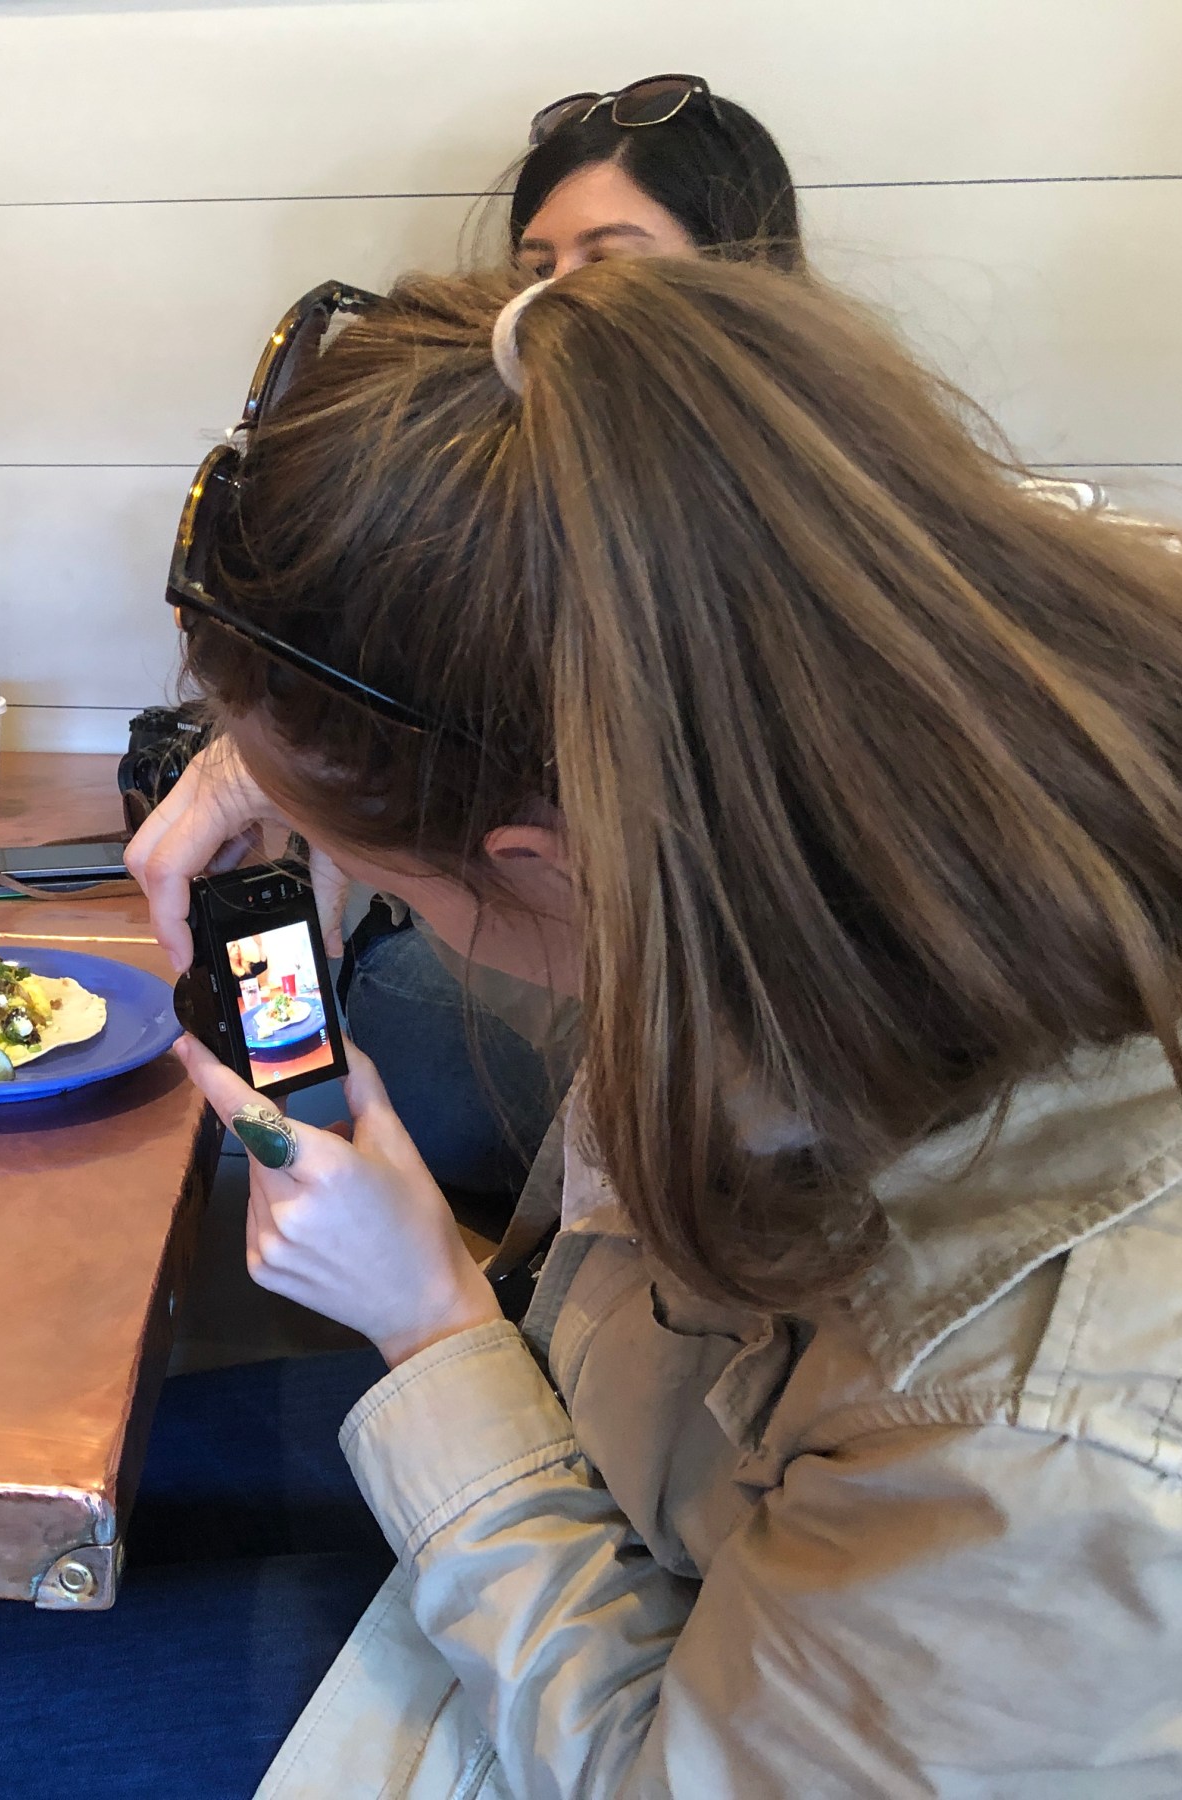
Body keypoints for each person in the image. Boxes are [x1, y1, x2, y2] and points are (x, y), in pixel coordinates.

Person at [0, 256, 1182, 1795]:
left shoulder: (1067, 1431)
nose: (332, 875)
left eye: (366, 865)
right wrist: (290, 758)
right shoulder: (824, 721)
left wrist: (427, 1324)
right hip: (613, 1440)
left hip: (638, 1684)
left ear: (555, 859)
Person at [350, 74, 805, 1221]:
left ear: (745, 278)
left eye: (613, 262)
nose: (551, 316)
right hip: (613, 978)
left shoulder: (787, 529)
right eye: (538, 271)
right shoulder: (522, 492)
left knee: (358, 1008)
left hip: (709, 1014)